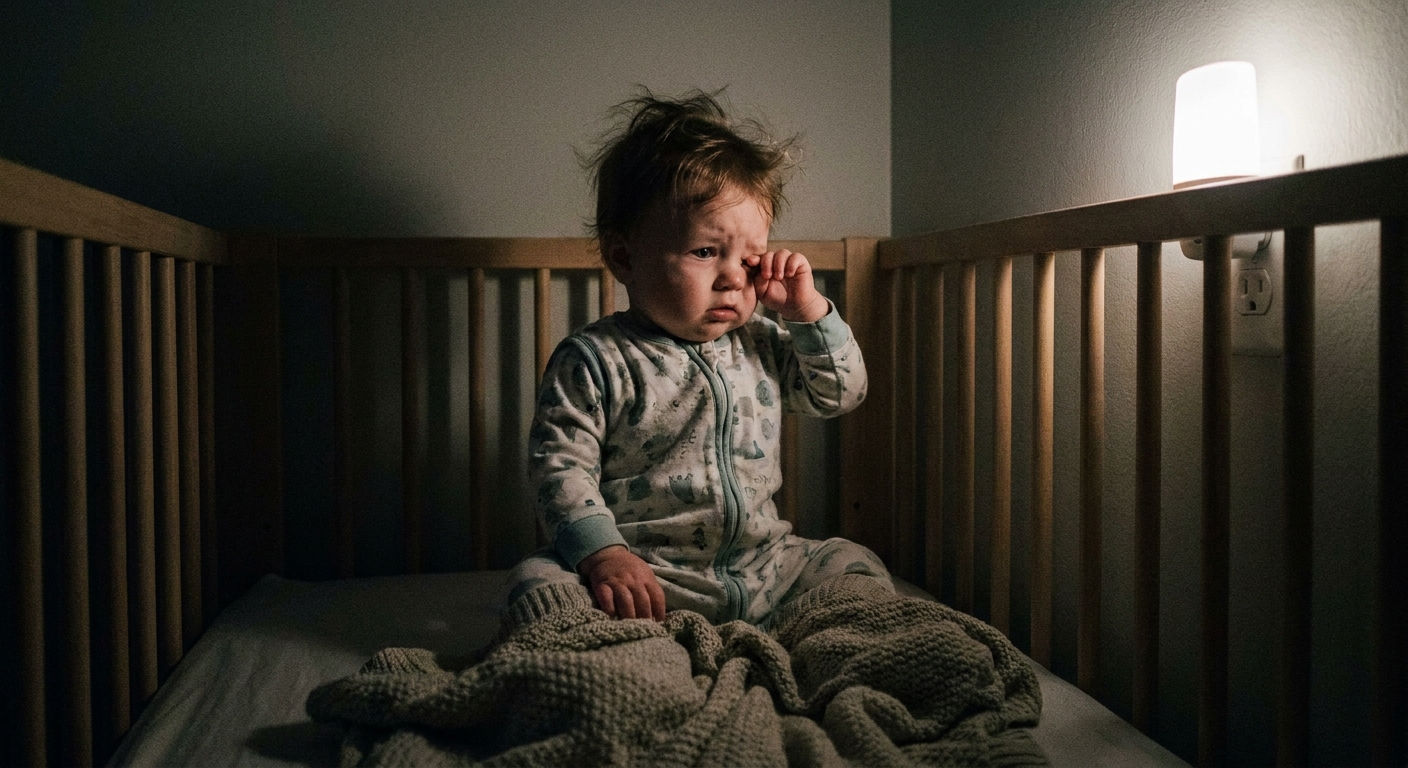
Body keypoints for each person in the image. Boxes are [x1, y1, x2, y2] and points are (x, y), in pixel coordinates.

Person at [502, 90, 890, 626]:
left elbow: (840, 394)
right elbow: (560, 468)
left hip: (763, 569)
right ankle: (619, 652)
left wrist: (808, 313)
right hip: (643, 580)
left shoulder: (763, 342)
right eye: (705, 252)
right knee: (537, 582)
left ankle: (828, 640)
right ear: (624, 257)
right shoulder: (594, 360)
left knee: (852, 563)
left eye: (750, 258)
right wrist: (605, 557)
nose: (734, 276)